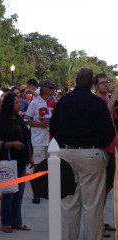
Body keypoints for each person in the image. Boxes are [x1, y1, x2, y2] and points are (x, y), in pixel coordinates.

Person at [50, 68, 116, 240]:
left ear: (77, 80)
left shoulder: (63, 101)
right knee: (92, 206)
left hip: (65, 153)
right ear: (91, 82)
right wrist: (96, 146)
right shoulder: (97, 103)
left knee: (69, 204)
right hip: (90, 154)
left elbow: (53, 128)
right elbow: (109, 132)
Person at [0, 93, 31, 233]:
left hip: (21, 160)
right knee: (9, 193)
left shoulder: (19, 118)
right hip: (8, 160)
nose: (19, 104)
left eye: (19, 102)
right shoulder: (2, 121)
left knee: (19, 193)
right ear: (9, 104)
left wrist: (30, 157)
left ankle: (16, 221)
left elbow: (26, 139)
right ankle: (5, 222)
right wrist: (11, 144)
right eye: (16, 102)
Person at [25, 79, 57, 204]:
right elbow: (27, 120)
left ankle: (48, 190)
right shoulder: (34, 103)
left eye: (53, 88)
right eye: (51, 88)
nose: (53, 90)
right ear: (44, 88)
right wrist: (40, 124)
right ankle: (36, 192)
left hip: (51, 139)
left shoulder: (54, 102)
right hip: (38, 138)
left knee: (52, 165)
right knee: (38, 165)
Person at [93, 73, 118, 237]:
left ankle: (99, 220)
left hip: (110, 149)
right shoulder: (97, 101)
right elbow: (105, 112)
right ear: (96, 86)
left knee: (108, 187)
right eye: (102, 83)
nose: (106, 85)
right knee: (100, 190)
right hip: (101, 150)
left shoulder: (108, 101)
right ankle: (96, 223)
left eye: (107, 82)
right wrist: (115, 95)